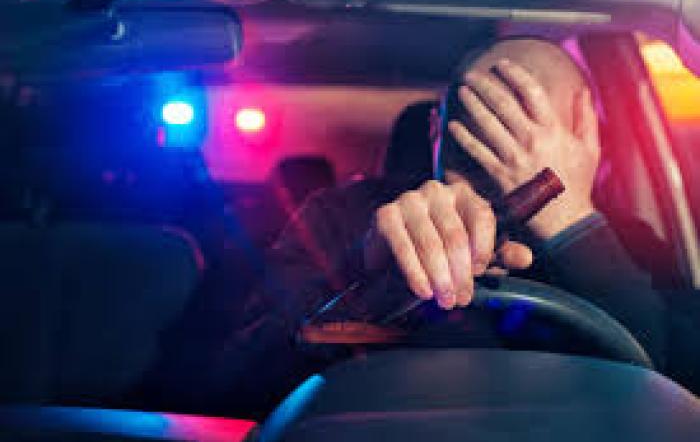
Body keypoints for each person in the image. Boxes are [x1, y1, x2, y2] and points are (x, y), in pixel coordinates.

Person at [262, 36, 668, 367]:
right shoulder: (341, 217)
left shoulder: (624, 243)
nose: (498, 178)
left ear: (582, 134)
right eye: (473, 149)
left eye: (523, 142)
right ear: (435, 132)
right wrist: (364, 274)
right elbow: (244, 378)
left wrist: (572, 226)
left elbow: (682, 386)